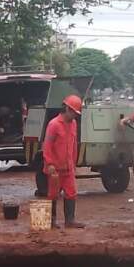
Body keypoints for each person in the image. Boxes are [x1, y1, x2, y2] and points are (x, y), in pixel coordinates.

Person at [43, 94, 84, 229]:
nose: (74, 115)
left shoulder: (73, 124)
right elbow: (47, 145)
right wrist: (49, 164)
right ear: (66, 108)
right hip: (55, 168)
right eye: (73, 112)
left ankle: (70, 220)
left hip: (68, 167)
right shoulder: (54, 124)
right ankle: (51, 221)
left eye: (76, 113)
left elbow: (73, 145)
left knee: (71, 192)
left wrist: (74, 163)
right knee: (53, 195)